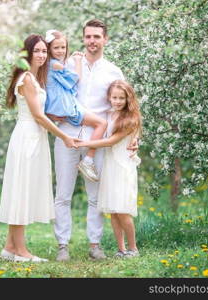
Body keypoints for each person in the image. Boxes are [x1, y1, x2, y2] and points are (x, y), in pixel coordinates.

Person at [51, 19, 137, 262]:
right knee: (63, 194)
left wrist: (135, 137)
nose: (92, 41)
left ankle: (95, 244)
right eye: (88, 36)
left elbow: (128, 108)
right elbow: (54, 96)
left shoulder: (113, 71)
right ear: (83, 38)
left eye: (96, 37)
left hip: (97, 140)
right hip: (66, 134)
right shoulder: (66, 64)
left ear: (105, 40)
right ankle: (62, 245)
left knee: (96, 196)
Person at [0, 34, 79, 263]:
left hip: (35, 137)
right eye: (38, 51)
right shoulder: (27, 80)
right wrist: (64, 136)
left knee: (24, 190)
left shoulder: (35, 78)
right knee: (21, 192)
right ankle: (21, 252)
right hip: (27, 138)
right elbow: (38, 116)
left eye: (45, 51)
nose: (42, 55)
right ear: (28, 53)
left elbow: (43, 113)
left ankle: (9, 247)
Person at [77, 80, 142, 258]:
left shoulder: (131, 118)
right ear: (109, 98)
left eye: (122, 98)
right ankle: (121, 249)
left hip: (122, 165)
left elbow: (111, 141)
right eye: (114, 97)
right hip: (109, 164)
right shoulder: (108, 114)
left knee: (123, 210)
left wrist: (85, 143)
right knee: (113, 210)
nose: (118, 101)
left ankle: (133, 248)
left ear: (128, 99)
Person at [45, 29, 107, 182]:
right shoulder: (55, 65)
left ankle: (88, 160)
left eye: (63, 47)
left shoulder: (53, 65)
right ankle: (88, 161)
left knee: (100, 123)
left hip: (62, 107)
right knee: (102, 123)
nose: (60, 51)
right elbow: (76, 78)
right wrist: (78, 62)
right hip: (66, 106)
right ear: (49, 49)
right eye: (56, 48)